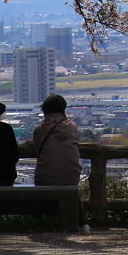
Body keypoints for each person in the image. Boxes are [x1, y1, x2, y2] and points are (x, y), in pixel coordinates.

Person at [33, 94, 89, 232]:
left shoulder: (40, 129)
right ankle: (83, 224)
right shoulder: (72, 127)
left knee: (46, 179)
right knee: (69, 188)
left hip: (45, 178)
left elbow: (38, 150)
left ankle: (41, 222)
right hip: (72, 176)